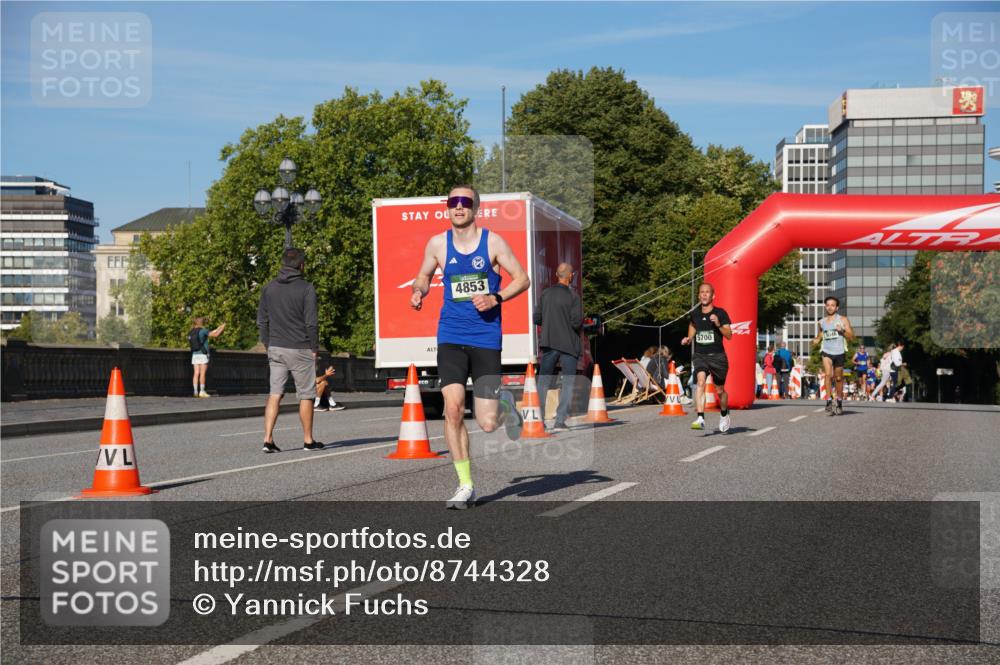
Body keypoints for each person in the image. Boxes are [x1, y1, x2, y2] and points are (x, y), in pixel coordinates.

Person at [410, 185, 530, 509]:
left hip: (486, 337)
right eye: (453, 202)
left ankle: (505, 405)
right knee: (452, 408)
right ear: (447, 207)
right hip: (450, 334)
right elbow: (423, 276)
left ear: (476, 208)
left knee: (488, 424)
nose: (458, 207)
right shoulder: (438, 244)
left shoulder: (492, 242)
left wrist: (496, 297)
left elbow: (522, 278)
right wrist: (419, 291)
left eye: (465, 202)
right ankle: (465, 485)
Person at [256, 247, 323, 453]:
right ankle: (308, 440)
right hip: (300, 347)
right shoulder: (307, 288)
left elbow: (262, 321)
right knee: (306, 395)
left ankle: (267, 440)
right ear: (301, 266)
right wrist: (314, 347)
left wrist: (268, 344)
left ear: (283, 264)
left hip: (276, 347)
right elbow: (311, 323)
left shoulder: (269, 288)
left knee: (275, 393)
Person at [534, 262, 583, 433]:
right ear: (571, 276)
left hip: (549, 343)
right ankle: (560, 421)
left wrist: (550, 322)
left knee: (543, 382)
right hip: (568, 345)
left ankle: (538, 419)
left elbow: (536, 318)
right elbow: (576, 322)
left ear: (556, 274)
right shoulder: (574, 297)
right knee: (568, 383)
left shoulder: (545, 294)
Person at [680, 282, 732, 432]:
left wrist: (718, 324)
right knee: (701, 382)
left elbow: (729, 335)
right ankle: (700, 418)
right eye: (702, 292)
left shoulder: (720, 313)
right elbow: (692, 325)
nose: (704, 294)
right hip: (700, 356)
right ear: (699, 296)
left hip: (718, 357)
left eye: (707, 292)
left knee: (720, 390)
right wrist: (689, 338)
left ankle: (724, 413)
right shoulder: (695, 314)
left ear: (713, 296)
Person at [812, 296, 854, 415]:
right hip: (826, 351)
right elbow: (821, 334)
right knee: (828, 375)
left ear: (837, 307)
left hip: (839, 352)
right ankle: (829, 401)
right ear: (825, 306)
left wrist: (842, 331)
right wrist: (816, 340)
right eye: (828, 305)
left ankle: (839, 400)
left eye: (832, 305)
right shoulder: (821, 322)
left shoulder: (843, 320)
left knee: (839, 378)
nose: (830, 307)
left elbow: (851, 337)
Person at [188, 317, 225, 398]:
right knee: (202, 374)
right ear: (202, 323)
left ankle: (195, 392)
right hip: (203, 354)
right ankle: (202, 391)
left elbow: (212, 331)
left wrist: (218, 328)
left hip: (194, 354)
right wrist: (222, 328)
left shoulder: (191, 331)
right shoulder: (203, 330)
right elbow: (215, 335)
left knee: (196, 373)